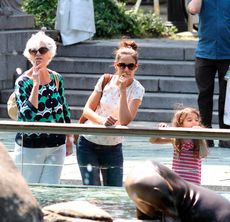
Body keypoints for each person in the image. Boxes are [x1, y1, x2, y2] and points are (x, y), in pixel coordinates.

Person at [76, 39, 145, 187]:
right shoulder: (105, 80)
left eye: (130, 66)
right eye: (122, 65)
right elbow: (87, 110)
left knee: (113, 193)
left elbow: (125, 120)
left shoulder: (137, 89)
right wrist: (102, 121)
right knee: (91, 191)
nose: (126, 70)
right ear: (116, 65)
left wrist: (123, 90)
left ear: (136, 67)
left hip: (113, 147)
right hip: (88, 143)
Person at [14, 30, 72, 184]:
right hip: (30, 146)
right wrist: (36, 84)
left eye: (42, 50)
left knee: (50, 192)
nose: (38, 54)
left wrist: (69, 137)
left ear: (50, 54)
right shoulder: (22, 82)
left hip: (57, 144)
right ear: (29, 54)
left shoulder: (56, 78)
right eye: (33, 51)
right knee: (29, 191)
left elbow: (64, 110)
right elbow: (27, 115)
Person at [187, 0, 230, 148]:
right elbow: (192, 9)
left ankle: (226, 135)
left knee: (227, 97)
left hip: (228, 55)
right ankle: (205, 136)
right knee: (204, 95)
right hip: (205, 53)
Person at [150, 107, 208, 185]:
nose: (194, 122)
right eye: (189, 120)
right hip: (177, 179)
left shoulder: (198, 140)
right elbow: (153, 141)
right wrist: (160, 130)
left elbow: (204, 154)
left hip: (193, 180)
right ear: (181, 123)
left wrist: (200, 137)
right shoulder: (176, 139)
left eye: (196, 120)